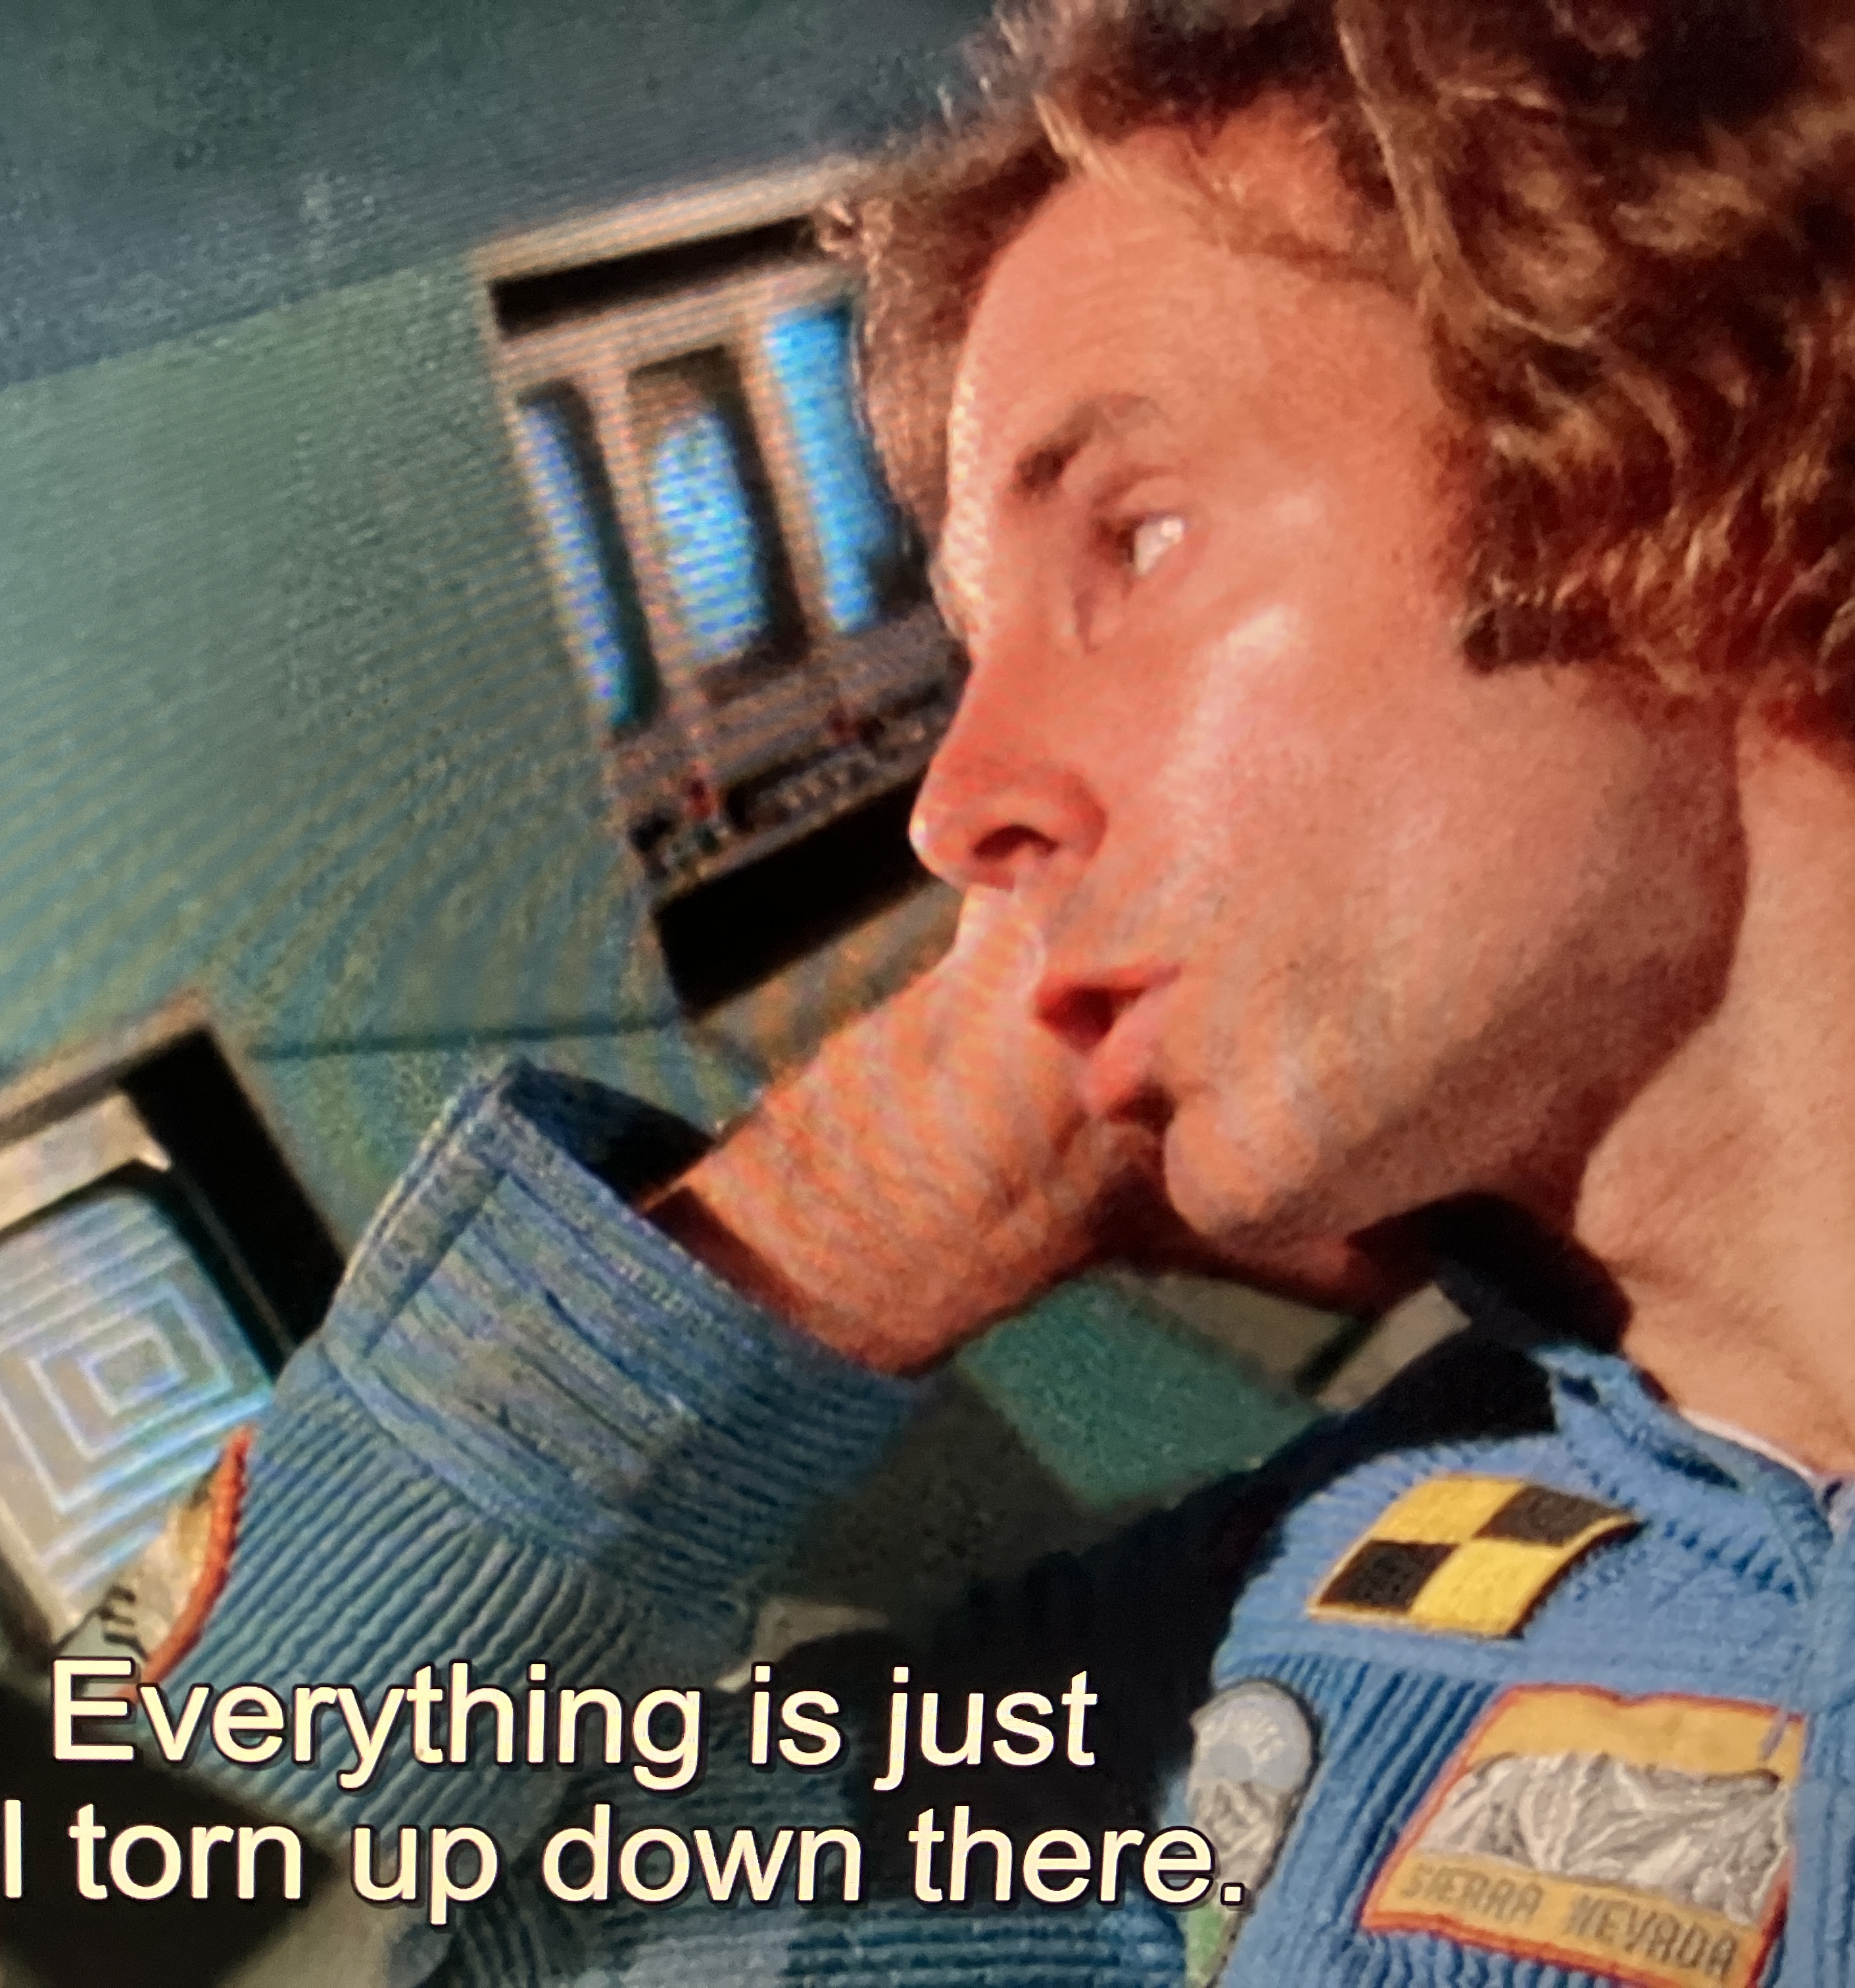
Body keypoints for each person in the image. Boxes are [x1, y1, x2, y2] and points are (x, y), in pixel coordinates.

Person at [93, 0, 1855, 1980]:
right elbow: (206, 1905)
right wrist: (857, 1198)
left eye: (1138, 539)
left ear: (1698, 454)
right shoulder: (1346, 1629)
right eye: (970, 649)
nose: (955, 808)